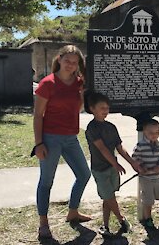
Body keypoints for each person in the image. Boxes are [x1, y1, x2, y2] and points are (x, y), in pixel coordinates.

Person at [33, 45, 92, 241]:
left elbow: (77, 109)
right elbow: (38, 116)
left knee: (84, 174)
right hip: (50, 138)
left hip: (71, 137)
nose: (71, 65)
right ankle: (43, 223)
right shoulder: (47, 84)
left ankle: (73, 212)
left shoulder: (78, 83)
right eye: (67, 61)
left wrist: (82, 94)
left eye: (75, 63)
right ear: (59, 59)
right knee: (46, 181)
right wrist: (39, 143)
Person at [85, 92, 141, 236]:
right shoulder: (91, 128)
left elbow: (120, 148)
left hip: (112, 168)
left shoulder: (111, 127)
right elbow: (102, 148)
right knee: (109, 196)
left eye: (107, 108)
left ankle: (105, 225)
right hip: (100, 169)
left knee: (108, 197)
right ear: (92, 109)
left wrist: (132, 163)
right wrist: (116, 164)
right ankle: (122, 220)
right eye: (102, 108)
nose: (105, 111)